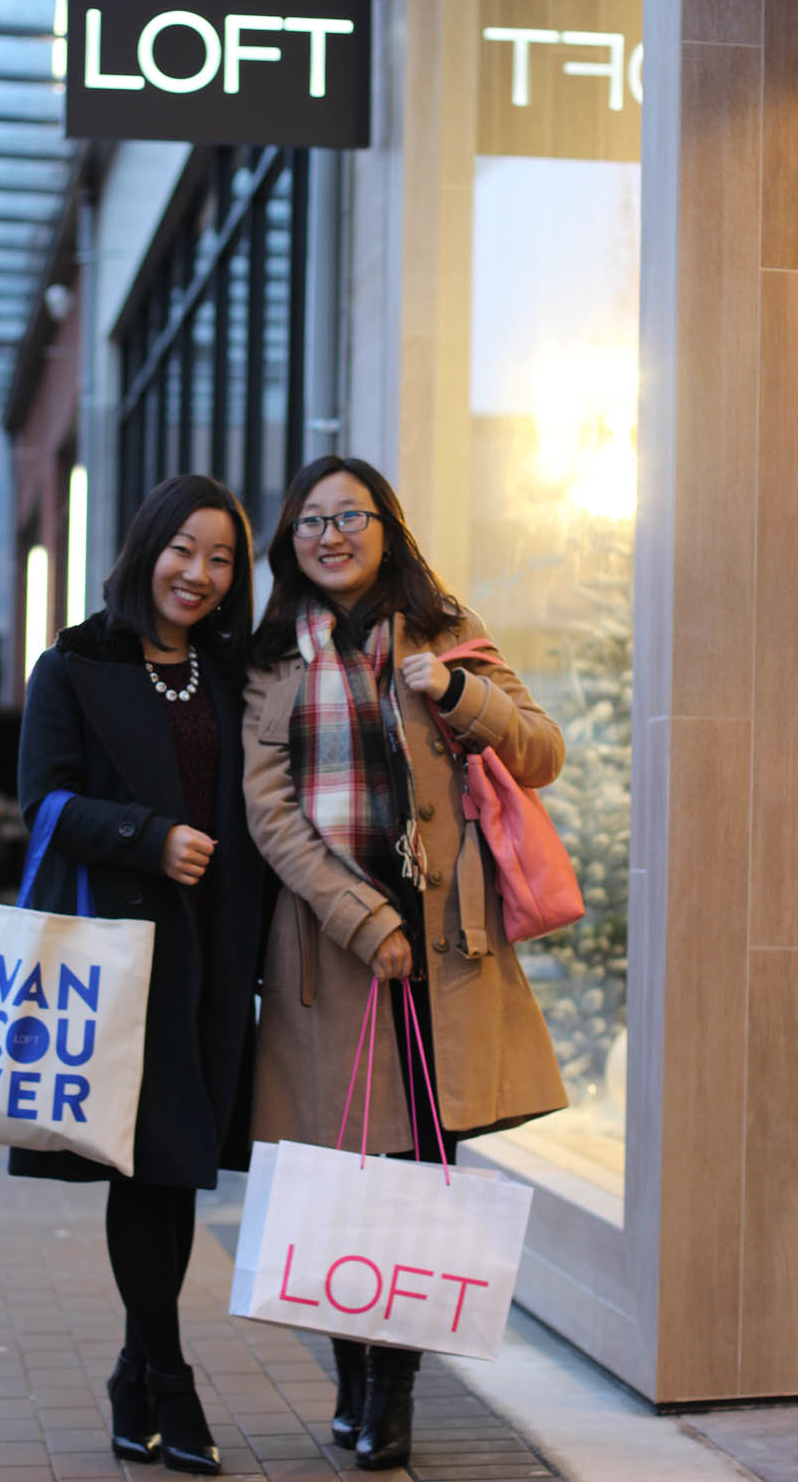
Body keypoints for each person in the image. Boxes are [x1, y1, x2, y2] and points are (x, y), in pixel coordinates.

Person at [242, 456, 569, 1471]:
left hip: (443, 952)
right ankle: (351, 1375)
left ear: (386, 526)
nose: (330, 535)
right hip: (331, 952)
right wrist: (357, 914)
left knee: (423, 1173)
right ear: (288, 542)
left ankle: (393, 1393)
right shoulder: (268, 662)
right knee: (338, 1170)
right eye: (310, 521)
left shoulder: (442, 634)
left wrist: (459, 692)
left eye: (351, 515)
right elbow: (270, 813)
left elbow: (541, 751)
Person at [13, 474, 264, 1476]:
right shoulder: (76, 662)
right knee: (143, 1166)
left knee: (177, 1172)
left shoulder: (235, 669)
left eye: (221, 559)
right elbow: (42, 803)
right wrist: (147, 837)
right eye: (183, 550)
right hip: (123, 949)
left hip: (217, 950)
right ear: (146, 547)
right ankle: (168, 1378)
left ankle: (134, 1374)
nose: (198, 575)